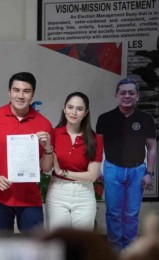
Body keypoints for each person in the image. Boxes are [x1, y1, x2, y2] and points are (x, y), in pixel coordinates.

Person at [0, 72, 53, 235]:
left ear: (32, 95)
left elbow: (46, 168)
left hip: (29, 195)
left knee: (35, 245)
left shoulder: (44, 124)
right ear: (9, 92)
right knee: (4, 243)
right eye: (16, 90)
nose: (20, 95)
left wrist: (47, 147)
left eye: (26, 91)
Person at [96, 78, 157, 251]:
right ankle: (115, 249)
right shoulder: (105, 118)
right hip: (112, 170)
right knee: (114, 213)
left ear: (137, 96)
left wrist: (149, 173)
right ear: (116, 96)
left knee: (131, 214)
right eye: (123, 92)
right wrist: (98, 169)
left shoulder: (145, 119)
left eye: (131, 92)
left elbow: (152, 148)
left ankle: (130, 250)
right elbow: (98, 148)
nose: (127, 96)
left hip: (137, 171)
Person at [45, 92, 103, 231]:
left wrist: (62, 172)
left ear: (86, 112)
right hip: (57, 192)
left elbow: (92, 176)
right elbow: (46, 168)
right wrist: (47, 148)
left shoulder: (95, 139)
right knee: (59, 241)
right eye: (70, 107)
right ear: (64, 109)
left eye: (79, 109)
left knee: (83, 243)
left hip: (84, 193)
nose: (74, 112)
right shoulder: (53, 134)